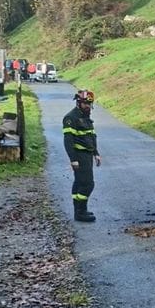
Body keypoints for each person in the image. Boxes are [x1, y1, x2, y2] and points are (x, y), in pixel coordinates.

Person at [63, 90, 102, 222]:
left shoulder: (86, 117)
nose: (88, 106)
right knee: (87, 184)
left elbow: (91, 137)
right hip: (80, 156)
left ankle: (80, 211)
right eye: (85, 103)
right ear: (78, 102)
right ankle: (80, 212)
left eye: (89, 104)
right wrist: (73, 159)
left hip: (88, 155)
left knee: (79, 183)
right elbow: (68, 141)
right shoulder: (70, 118)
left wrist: (96, 153)